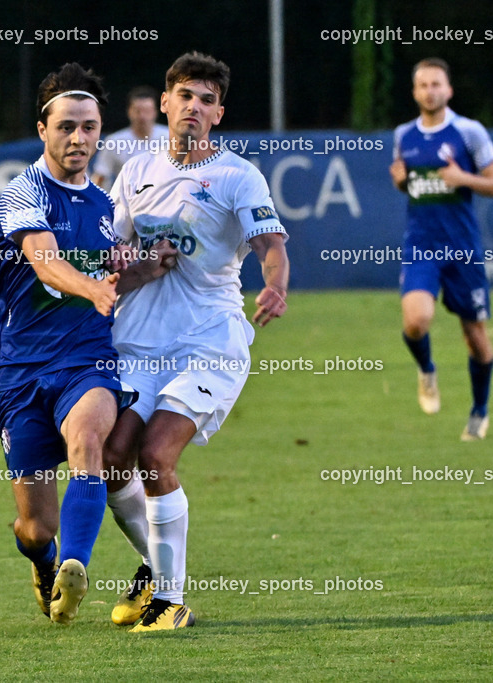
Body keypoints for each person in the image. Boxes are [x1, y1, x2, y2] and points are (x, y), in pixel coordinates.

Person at [102, 51, 290, 632]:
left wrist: (275, 288)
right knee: (111, 461)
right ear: (165, 104)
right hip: (138, 341)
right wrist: (138, 262)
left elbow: (271, 246)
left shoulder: (238, 175)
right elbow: (110, 258)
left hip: (209, 340)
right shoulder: (135, 172)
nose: (194, 107)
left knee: (157, 456)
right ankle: (153, 569)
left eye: (207, 100)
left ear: (218, 114)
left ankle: (171, 602)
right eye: (185, 95)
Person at [0, 62, 172, 624]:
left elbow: (112, 275)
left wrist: (147, 267)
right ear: (43, 129)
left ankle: (75, 567)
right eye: (66, 126)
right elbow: (45, 264)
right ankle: (45, 561)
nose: (79, 138)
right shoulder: (21, 194)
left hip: (86, 359)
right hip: (20, 370)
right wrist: (91, 285)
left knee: (90, 440)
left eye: (89, 127)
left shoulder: (103, 202)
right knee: (33, 525)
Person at [388, 57, 493, 441]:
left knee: (475, 336)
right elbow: (406, 183)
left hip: (463, 248)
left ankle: (480, 409)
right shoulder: (404, 135)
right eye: (423, 85)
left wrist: (462, 178)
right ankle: (427, 371)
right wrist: (401, 182)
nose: (430, 91)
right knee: (415, 322)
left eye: (436, 84)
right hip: (421, 244)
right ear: (414, 92)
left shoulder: (469, 132)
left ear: (449, 89)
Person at [91, 86, 170, 190]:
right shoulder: (113, 142)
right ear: (129, 112)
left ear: (156, 112)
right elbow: (101, 176)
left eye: (147, 111)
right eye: (137, 111)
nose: (142, 117)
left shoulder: (170, 138)